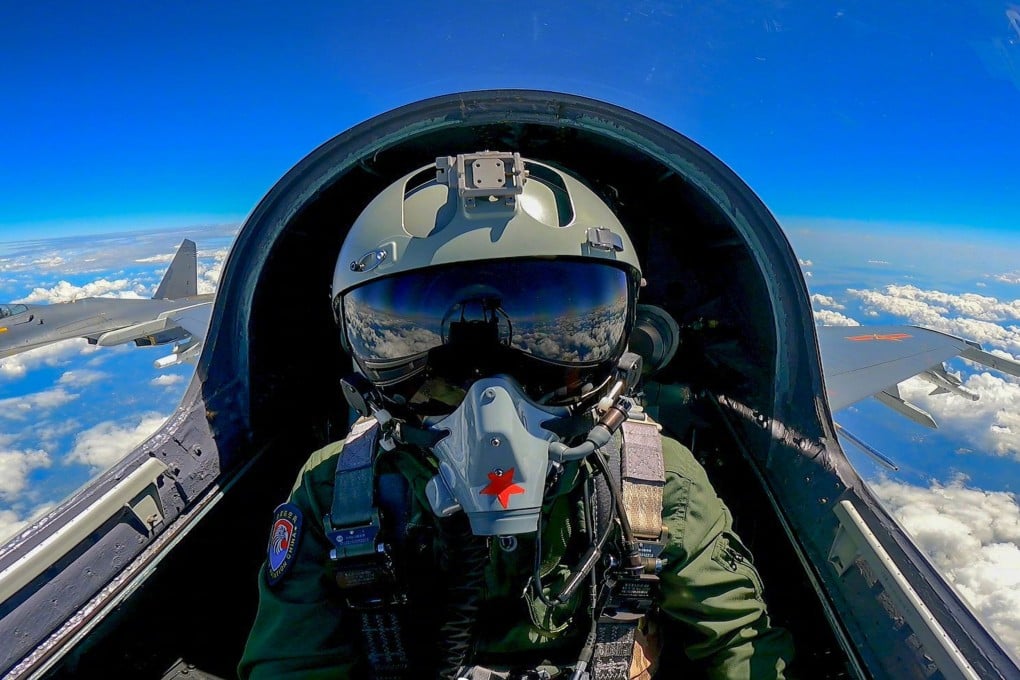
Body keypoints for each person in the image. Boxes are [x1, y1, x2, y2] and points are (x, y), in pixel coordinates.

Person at [239, 151, 794, 679]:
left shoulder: (653, 482)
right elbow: (293, 665)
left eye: (547, 348)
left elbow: (739, 648)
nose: (492, 408)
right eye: (443, 363)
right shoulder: (336, 491)